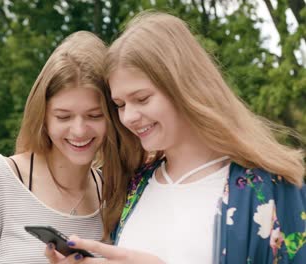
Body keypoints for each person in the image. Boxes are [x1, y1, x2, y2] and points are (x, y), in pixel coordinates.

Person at [45, 11, 306, 264]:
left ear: (184, 86)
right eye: (120, 104)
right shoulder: (133, 186)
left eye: (142, 98)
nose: (129, 117)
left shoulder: (271, 187)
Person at [0, 31, 121, 264]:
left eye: (94, 115)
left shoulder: (114, 195)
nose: (79, 130)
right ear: (43, 117)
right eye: (63, 117)